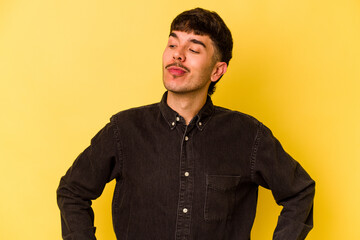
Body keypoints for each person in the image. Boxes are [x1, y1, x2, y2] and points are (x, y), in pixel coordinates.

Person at [57, 8, 315, 240]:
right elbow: (72, 191)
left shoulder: (248, 135)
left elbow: (299, 192)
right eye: (172, 45)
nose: (177, 56)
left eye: (193, 49)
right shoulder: (124, 130)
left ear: (217, 71)